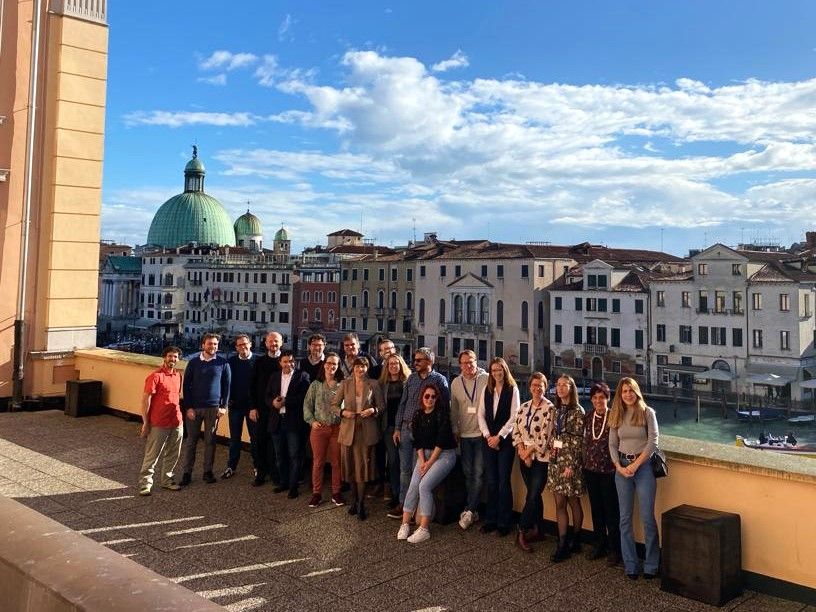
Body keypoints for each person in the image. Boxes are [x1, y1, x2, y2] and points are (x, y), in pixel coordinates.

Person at [609, 377, 660, 580]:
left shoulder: (647, 412)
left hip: (643, 467)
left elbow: (653, 441)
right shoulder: (617, 414)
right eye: (624, 391)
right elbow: (612, 444)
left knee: (647, 517)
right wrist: (619, 467)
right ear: (620, 394)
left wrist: (636, 465)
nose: (628, 394)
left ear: (637, 392)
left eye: (631, 390)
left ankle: (651, 564)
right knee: (625, 519)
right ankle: (630, 564)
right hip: (622, 468)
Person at [391, 347, 450, 518]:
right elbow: (403, 404)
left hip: (424, 431)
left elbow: (445, 407)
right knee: (405, 469)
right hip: (405, 428)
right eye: (414, 359)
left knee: (419, 470)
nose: (415, 362)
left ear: (429, 362)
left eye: (419, 360)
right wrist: (397, 428)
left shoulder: (439, 380)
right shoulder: (411, 378)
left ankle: (417, 508)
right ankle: (404, 504)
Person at [397, 382, 457, 544]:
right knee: (413, 485)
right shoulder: (418, 415)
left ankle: (424, 530)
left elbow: (441, 441)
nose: (430, 399)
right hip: (425, 455)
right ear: (422, 398)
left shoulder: (441, 414)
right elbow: (418, 441)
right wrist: (422, 461)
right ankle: (404, 524)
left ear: (437, 399)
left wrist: (428, 464)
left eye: (433, 397)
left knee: (424, 486)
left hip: (444, 454)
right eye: (427, 396)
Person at [331, 357, 384, 520]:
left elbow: (382, 406)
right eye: (357, 366)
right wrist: (343, 412)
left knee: (363, 469)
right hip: (348, 431)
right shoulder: (345, 384)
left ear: (367, 368)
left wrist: (373, 410)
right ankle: (354, 501)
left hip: (366, 432)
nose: (360, 369)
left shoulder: (374, 384)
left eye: (363, 366)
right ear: (353, 368)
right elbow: (334, 405)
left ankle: (361, 503)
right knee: (350, 468)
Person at [179, 333, 231, 486]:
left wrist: (224, 406)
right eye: (209, 343)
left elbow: (227, 387)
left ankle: (208, 472)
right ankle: (187, 473)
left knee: (210, 441)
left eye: (215, 344)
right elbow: (186, 386)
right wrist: (188, 407)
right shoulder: (193, 363)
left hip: (213, 408)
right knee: (191, 441)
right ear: (203, 345)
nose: (212, 346)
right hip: (194, 408)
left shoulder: (223, 363)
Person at [477, 357, 520, 537]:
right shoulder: (487, 390)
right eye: (493, 370)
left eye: (499, 369)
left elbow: (514, 416)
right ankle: (490, 520)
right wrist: (488, 436)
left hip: (505, 441)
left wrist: (499, 437)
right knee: (492, 481)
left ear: (505, 370)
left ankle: (504, 522)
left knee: (503, 482)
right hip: (488, 440)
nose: (496, 373)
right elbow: (480, 414)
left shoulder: (513, 389)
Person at [512, 372, 554, 552]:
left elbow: (546, 437)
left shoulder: (550, 409)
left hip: (541, 459)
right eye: (534, 385)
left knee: (532, 494)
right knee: (534, 495)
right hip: (524, 458)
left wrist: (528, 452)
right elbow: (516, 431)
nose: (537, 388)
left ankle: (521, 530)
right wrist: (522, 451)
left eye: (540, 385)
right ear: (530, 387)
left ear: (545, 387)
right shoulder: (523, 407)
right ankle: (539, 530)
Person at [545, 374, 585, 562]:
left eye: (564, 385)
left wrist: (571, 464)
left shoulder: (578, 411)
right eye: (558, 385)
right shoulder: (555, 409)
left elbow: (579, 440)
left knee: (573, 502)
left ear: (571, 388)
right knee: (559, 503)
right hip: (555, 461)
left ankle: (576, 539)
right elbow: (554, 434)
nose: (560, 388)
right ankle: (562, 544)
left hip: (570, 463)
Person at [450, 349, 488, 530]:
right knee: (467, 473)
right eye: (464, 363)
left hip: (481, 434)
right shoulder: (456, 383)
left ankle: (470, 509)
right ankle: (473, 509)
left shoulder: (486, 379)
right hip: (464, 435)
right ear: (460, 365)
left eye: (471, 361)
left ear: (476, 361)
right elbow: (454, 410)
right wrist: (455, 429)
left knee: (478, 473)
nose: (468, 365)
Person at [583, 382, 621, 566]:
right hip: (590, 470)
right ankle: (599, 544)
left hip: (609, 471)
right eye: (595, 398)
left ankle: (614, 549)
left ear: (608, 398)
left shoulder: (614, 417)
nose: (598, 401)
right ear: (591, 400)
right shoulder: (588, 416)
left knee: (611, 510)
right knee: (596, 509)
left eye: (602, 397)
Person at [265, 349, 311, 499]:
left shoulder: (303, 376)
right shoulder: (274, 376)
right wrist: (273, 402)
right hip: (277, 421)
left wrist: (286, 401)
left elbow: (304, 398)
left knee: (294, 456)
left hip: (293, 422)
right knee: (279, 455)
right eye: (285, 361)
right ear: (280, 363)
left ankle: (293, 486)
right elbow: (267, 396)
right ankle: (283, 482)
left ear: (294, 362)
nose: (288, 364)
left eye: (291, 361)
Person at [138, 346, 183, 496]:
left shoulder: (178, 376)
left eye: (175, 357)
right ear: (164, 357)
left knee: (173, 454)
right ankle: (145, 484)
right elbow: (146, 400)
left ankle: (167, 481)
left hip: (176, 421)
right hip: (159, 422)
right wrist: (146, 422)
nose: (172, 359)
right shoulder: (155, 376)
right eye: (170, 356)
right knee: (152, 455)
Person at [303, 352, 345, 507]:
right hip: (319, 428)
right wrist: (312, 421)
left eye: (334, 364)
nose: (331, 366)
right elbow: (307, 405)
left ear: (338, 366)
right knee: (318, 462)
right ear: (324, 364)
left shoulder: (342, 385)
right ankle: (317, 493)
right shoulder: (316, 384)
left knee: (336, 462)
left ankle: (336, 492)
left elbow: (347, 405)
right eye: (329, 363)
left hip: (337, 429)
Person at [248, 331, 282, 486]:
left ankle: (276, 474)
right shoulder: (259, 362)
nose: (273, 344)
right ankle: (261, 473)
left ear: (281, 343)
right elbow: (252, 386)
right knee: (260, 442)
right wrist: (253, 407)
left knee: (277, 444)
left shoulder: (286, 361)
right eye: (270, 341)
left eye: (276, 341)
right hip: (262, 409)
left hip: (280, 410)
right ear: (266, 343)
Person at [379, 353, 411, 511]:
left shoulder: (407, 382)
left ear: (401, 365)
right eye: (390, 364)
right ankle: (395, 493)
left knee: (405, 463)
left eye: (396, 363)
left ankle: (405, 497)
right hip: (388, 427)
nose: (393, 366)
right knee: (392, 461)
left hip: (404, 427)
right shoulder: (382, 384)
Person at [221, 334, 255, 480]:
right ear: (236, 347)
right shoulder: (231, 362)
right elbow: (225, 382)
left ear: (250, 344)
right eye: (239, 345)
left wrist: (255, 406)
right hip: (235, 406)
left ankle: (257, 466)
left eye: (245, 344)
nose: (243, 347)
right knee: (234, 439)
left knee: (255, 439)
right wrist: (227, 400)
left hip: (252, 408)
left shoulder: (257, 361)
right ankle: (231, 466)